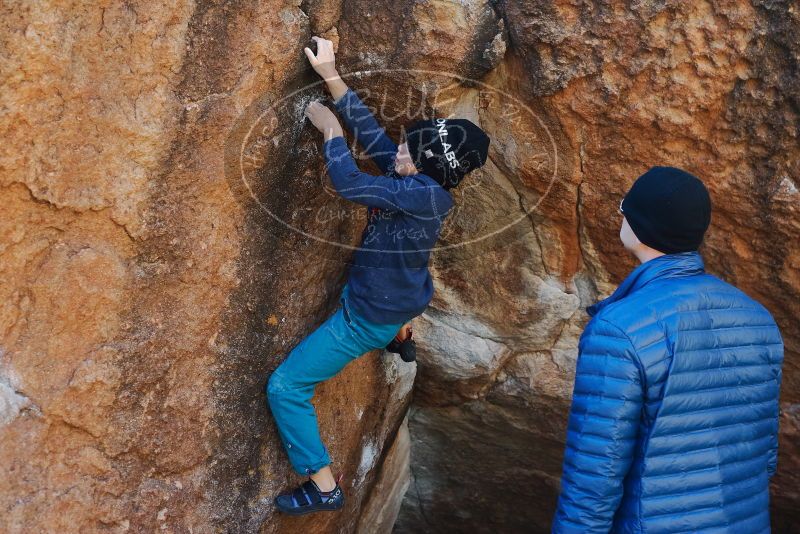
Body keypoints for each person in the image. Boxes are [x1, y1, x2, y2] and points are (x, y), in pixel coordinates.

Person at [266, 36, 490, 516]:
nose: (398, 154)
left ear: (429, 167)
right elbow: (373, 136)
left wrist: (329, 131)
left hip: (366, 317)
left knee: (286, 387)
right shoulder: (420, 181)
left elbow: (349, 182)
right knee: (400, 290)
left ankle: (323, 485)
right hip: (400, 298)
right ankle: (401, 334)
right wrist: (330, 73)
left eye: (409, 151)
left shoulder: (421, 194)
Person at [552, 166, 784, 533]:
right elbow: (765, 455)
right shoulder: (758, 318)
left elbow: (595, 476)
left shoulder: (619, 330)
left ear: (641, 224)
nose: (620, 213)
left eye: (624, 206)